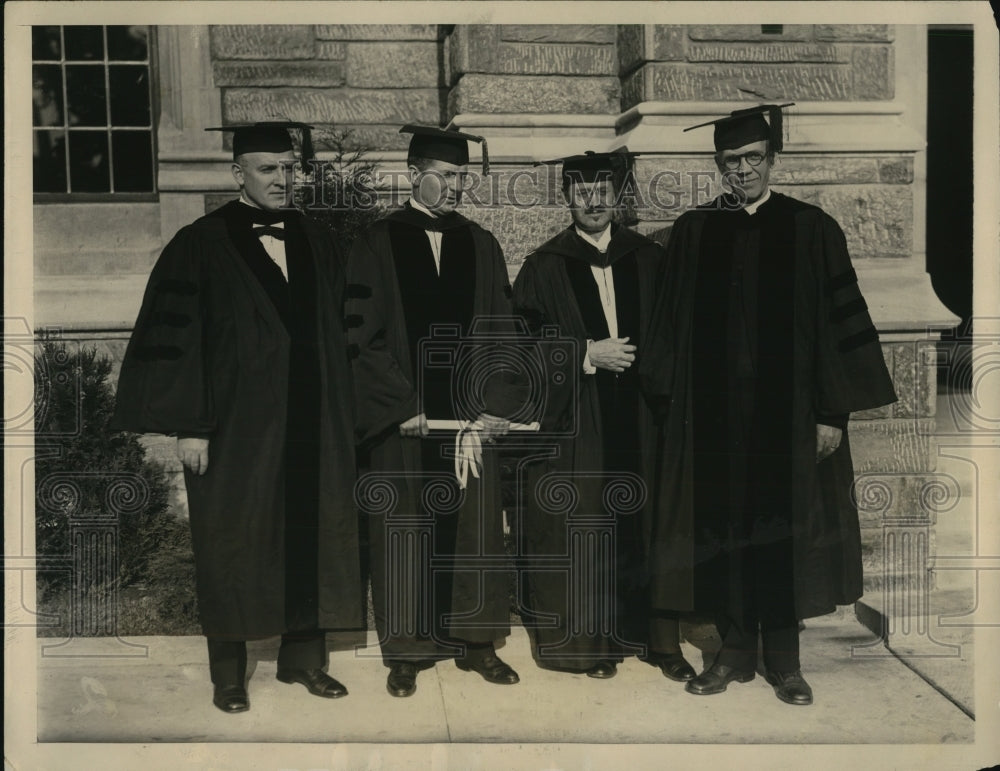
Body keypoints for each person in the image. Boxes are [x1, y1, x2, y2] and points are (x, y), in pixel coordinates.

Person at [644, 104, 897, 705]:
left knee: (785, 535)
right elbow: (668, 330)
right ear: (718, 165)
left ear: (773, 160)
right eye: (731, 161)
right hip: (715, 422)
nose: (743, 170)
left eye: (753, 158)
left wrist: (831, 413)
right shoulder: (694, 231)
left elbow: (841, 329)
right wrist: (670, 413)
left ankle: (784, 661)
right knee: (725, 533)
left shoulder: (812, 228)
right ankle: (731, 656)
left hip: (789, 420)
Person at [112, 122, 362, 714]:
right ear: (238, 174)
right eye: (268, 168)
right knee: (231, 540)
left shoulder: (319, 239)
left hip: (312, 421)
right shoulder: (200, 242)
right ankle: (229, 672)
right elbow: (179, 338)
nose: (283, 179)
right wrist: (191, 424)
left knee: (312, 532)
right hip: (234, 427)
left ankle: (305, 663)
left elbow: (346, 333)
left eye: (290, 167)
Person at [345, 125, 524, 698]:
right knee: (403, 529)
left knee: (474, 531)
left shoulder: (482, 243)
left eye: (461, 178)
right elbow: (358, 337)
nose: (455, 188)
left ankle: (476, 645)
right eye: (445, 176)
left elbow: (504, 335)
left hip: (468, 420)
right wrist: (401, 405)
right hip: (403, 421)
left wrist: (494, 407)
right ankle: (408, 651)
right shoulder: (376, 242)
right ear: (414, 171)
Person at [511, 151, 695, 682]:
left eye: (604, 190)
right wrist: (586, 354)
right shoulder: (544, 264)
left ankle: (660, 642)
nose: (594, 201)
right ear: (567, 198)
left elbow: (674, 332)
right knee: (587, 525)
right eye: (582, 191)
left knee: (653, 522)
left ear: (619, 197)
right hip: (582, 419)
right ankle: (594, 645)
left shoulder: (648, 257)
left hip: (644, 416)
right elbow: (520, 348)